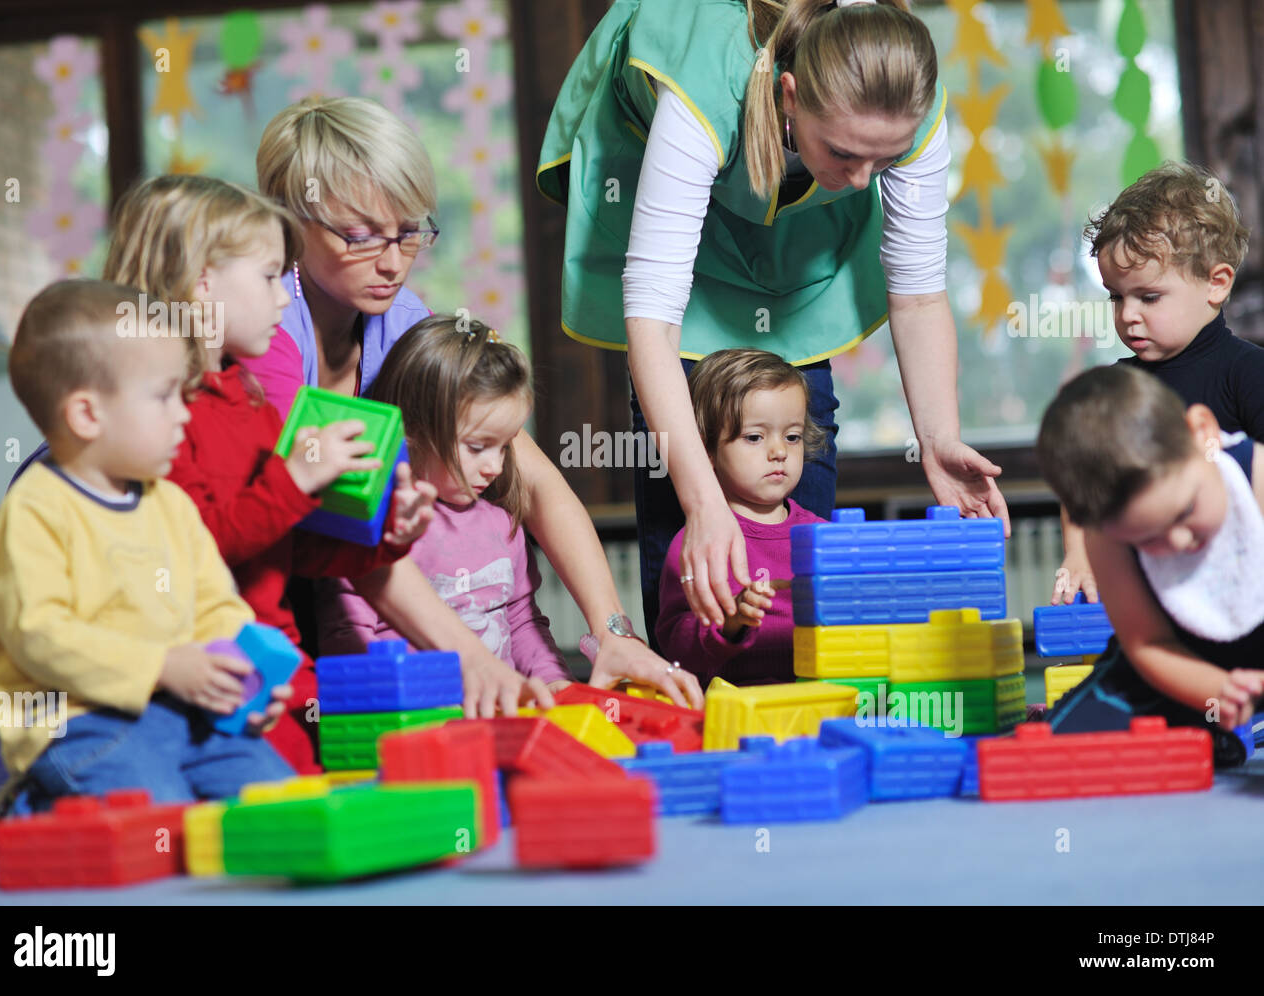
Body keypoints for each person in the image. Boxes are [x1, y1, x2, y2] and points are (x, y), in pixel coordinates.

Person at [536, 0, 1008, 648]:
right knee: (692, 555)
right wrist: (703, 505)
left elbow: (919, 297)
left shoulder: (908, 100)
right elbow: (652, 324)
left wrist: (939, 439)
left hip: (789, 249)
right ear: (789, 96)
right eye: (844, 152)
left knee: (798, 536)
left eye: (885, 160)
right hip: (679, 241)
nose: (862, 180)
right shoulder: (707, 79)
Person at [242, 96, 703, 713]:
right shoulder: (263, 329)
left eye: (409, 232)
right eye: (359, 236)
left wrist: (613, 631)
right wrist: (476, 662)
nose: (392, 262)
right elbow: (349, 534)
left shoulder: (402, 319)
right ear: (290, 220)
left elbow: (531, 474)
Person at [103, 174, 436, 772]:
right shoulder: (163, 418)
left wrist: (387, 538)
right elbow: (197, 548)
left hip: (278, 664)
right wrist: (297, 477)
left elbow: (287, 547)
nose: (285, 299)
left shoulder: (246, 397)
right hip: (208, 674)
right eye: (267, 279)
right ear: (202, 282)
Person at [0, 280, 294, 847]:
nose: (184, 415)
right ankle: (28, 805)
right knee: (156, 821)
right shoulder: (34, 514)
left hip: (181, 712)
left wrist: (239, 670)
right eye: (164, 396)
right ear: (88, 414)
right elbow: (40, 636)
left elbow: (214, 602)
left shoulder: (166, 501)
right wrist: (160, 667)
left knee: (272, 799)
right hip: (77, 725)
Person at [317, 315, 574, 694]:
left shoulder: (503, 527)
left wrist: (555, 682)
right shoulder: (378, 526)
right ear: (415, 428)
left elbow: (522, 622)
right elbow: (349, 638)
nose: (496, 466)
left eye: (504, 446)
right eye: (477, 447)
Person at [1051, 161, 1264, 605]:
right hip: (1144, 598)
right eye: (1116, 297)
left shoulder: (1248, 375)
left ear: (1216, 283)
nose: (1128, 315)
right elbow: (1082, 482)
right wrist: (1078, 552)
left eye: (1148, 297)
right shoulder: (1116, 389)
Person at [1036, 364, 1264, 766]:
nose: (1176, 541)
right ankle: (1208, 730)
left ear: (1203, 434)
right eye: (1146, 540)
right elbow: (1149, 645)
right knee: (1057, 749)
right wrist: (1218, 692)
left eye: (1185, 510)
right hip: (1179, 665)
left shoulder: (1257, 477)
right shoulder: (1106, 539)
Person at [657, 349, 825, 684]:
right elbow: (675, 647)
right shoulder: (697, 544)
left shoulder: (824, 536)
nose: (779, 451)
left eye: (791, 436)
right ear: (705, 450)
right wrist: (729, 623)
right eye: (754, 437)